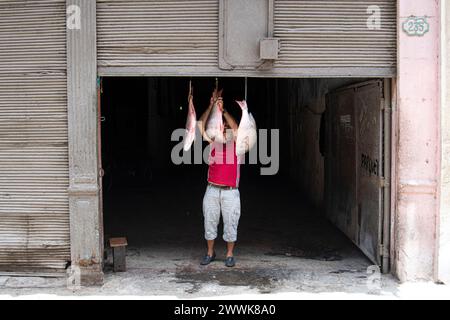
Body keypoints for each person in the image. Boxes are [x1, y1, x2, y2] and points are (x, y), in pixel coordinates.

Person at [197, 88, 241, 268]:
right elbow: (199, 124)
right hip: (212, 189)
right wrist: (210, 106)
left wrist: (223, 111)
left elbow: (237, 128)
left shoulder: (237, 142)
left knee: (231, 223)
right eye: (223, 126)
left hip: (231, 192)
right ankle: (210, 252)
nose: (225, 128)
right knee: (210, 221)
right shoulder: (213, 141)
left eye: (227, 126)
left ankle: (229, 254)